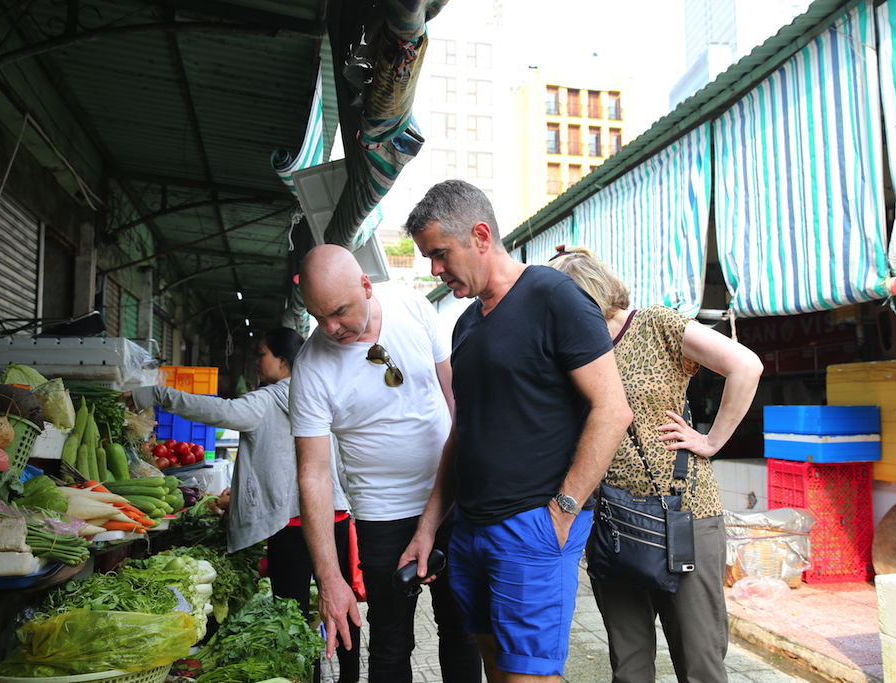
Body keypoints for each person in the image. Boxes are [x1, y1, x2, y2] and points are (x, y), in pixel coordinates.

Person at [399, 179, 634, 683]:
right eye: (428, 259)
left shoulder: (555, 296)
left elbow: (613, 410)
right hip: (471, 529)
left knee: (529, 676)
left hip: (533, 524)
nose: (435, 270)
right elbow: (464, 431)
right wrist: (428, 527)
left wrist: (564, 510)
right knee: (497, 669)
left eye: (440, 255)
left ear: (481, 235)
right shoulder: (465, 325)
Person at [549, 245, 763, 683]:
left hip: (682, 516)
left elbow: (746, 365)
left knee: (699, 660)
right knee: (628, 665)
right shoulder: (569, 352)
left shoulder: (654, 324)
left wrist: (711, 440)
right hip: (609, 519)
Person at [289, 244, 480, 683]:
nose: (331, 328)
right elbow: (314, 472)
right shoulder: (311, 366)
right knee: (391, 645)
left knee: (462, 630)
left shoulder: (411, 306)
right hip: (382, 518)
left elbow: (455, 400)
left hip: (448, 499)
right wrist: (329, 577)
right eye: (319, 317)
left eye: (339, 311)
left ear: (366, 285)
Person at [127, 328, 360, 682]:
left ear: (282, 361)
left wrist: (155, 393)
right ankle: (350, 676)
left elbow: (216, 410)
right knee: (341, 602)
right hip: (334, 516)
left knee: (292, 616)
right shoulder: (320, 395)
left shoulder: (266, 400)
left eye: (263, 353)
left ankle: (307, 677)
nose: (257, 360)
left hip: (292, 525)